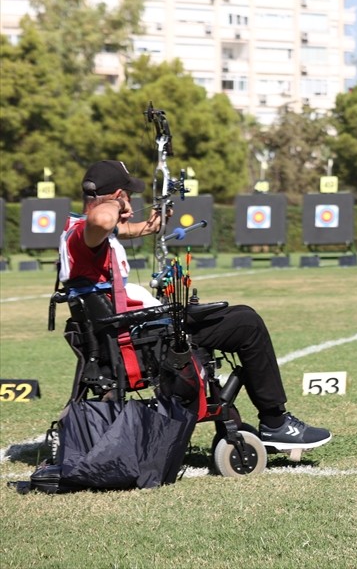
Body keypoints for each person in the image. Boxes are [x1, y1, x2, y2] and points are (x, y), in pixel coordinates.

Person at [59, 160, 331, 451]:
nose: (130, 200)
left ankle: (271, 419)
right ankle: (276, 423)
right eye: (127, 193)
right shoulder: (85, 234)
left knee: (240, 315)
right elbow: (100, 221)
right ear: (115, 194)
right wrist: (116, 205)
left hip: (138, 329)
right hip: (145, 338)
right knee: (247, 324)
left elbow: (120, 229)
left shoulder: (78, 231)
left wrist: (154, 222)